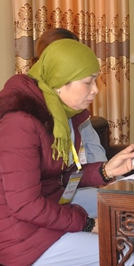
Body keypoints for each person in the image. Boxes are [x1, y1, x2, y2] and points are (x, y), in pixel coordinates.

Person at [0, 39, 134, 266]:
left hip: (47, 212)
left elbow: (63, 176)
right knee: (124, 254)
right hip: (16, 234)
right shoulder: (19, 127)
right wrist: (87, 224)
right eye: (88, 82)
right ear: (60, 84)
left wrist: (106, 170)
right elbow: (25, 206)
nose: (95, 90)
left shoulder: (59, 115)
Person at [36, 27, 107, 165]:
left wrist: (106, 172)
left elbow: (95, 150)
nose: (95, 90)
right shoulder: (31, 114)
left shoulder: (75, 107)